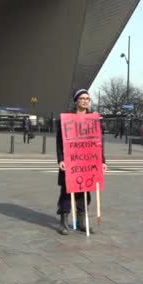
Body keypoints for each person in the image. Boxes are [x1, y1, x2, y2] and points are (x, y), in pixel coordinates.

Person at [56, 89, 108, 235]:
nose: (85, 101)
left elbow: (97, 143)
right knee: (67, 192)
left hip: (87, 162)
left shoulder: (93, 119)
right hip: (71, 161)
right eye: (82, 98)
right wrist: (60, 159)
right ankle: (63, 222)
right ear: (76, 100)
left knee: (85, 192)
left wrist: (102, 161)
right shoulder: (66, 119)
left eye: (87, 98)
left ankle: (81, 221)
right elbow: (60, 142)